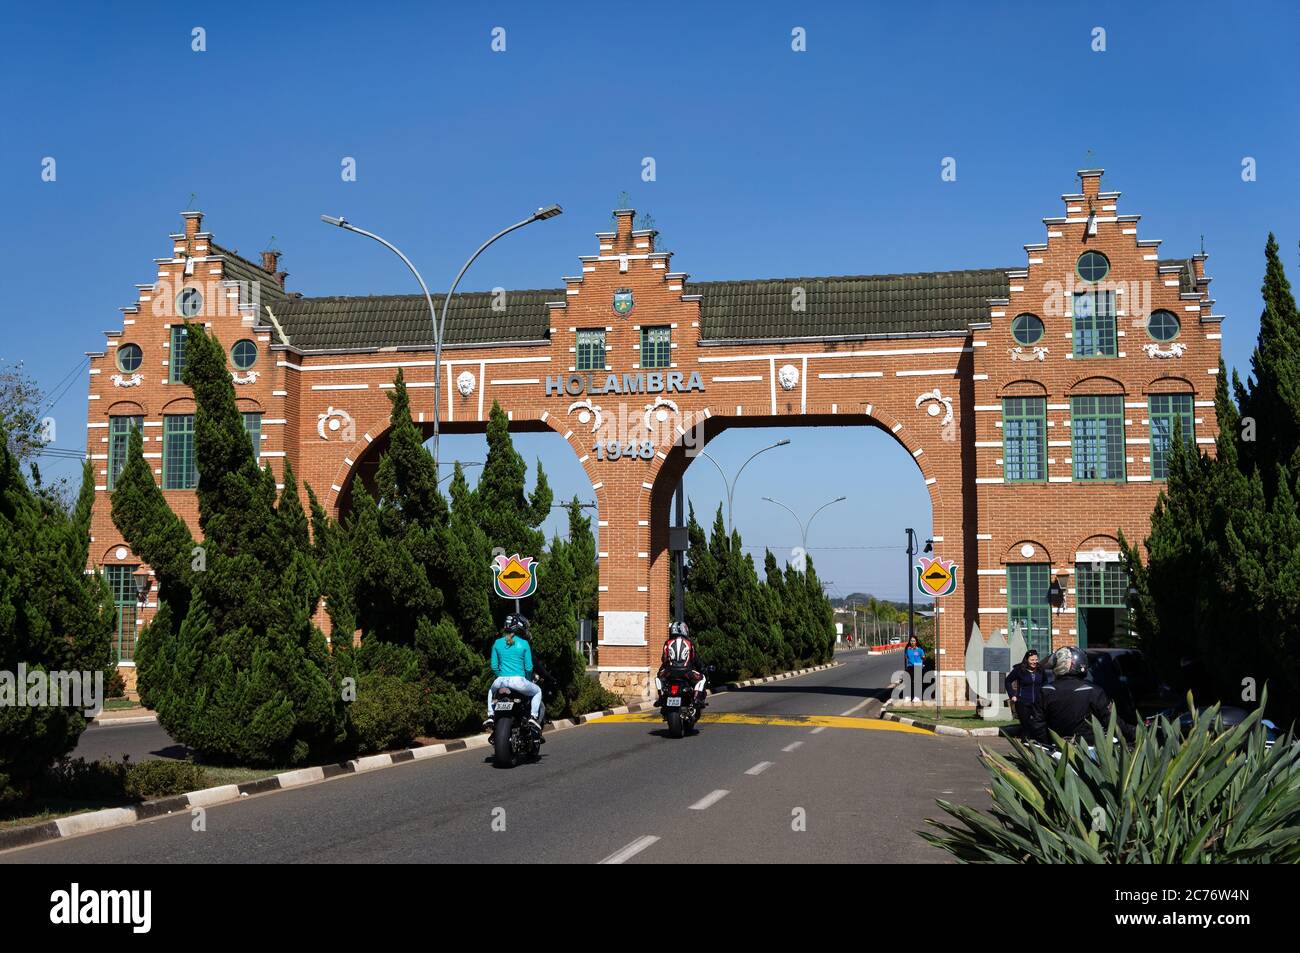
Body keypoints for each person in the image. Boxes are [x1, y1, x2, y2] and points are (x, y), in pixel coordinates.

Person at [1027, 646, 1136, 747]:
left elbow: (1037, 724)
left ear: (1058, 665)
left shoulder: (1045, 691)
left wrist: (1046, 744)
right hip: (1088, 750)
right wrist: (1134, 733)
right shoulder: (1093, 691)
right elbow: (1111, 721)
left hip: (1055, 748)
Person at [482, 614, 543, 735]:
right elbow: (529, 667)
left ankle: (490, 715)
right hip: (518, 681)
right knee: (537, 691)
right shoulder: (524, 643)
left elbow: (494, 666)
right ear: (520, 628)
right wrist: (528, 679)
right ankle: (533, 717)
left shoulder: (497, 643)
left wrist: (502, 675)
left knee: (491, 690)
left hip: (500, 681)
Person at [655, 620, 707, 707]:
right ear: (685, 630)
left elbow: (664, 659)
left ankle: (661, 697)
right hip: (686, 672)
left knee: (658, 678)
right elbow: (694, 658)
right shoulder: (690, 643)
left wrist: (664, 669)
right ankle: (696, 699)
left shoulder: (667, 643)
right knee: (702, 679)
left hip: (670, 672)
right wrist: (702, 669)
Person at [1006, 650, 1048, 734]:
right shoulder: (1019, 670)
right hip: (1023, 702)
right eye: (1032, 660)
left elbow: (1045, 682)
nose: (1034, 662)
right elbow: (1008, 681)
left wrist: (1044, 695)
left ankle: (1037, 744)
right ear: (1027, 660)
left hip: (1037, 703)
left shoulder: (1041, 669)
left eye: (1036, 660)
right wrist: (1012, 695)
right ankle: (1025, 742)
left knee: (1038, 725)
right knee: (1026, 726)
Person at [903, 635, 925, 703]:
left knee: (917, 682)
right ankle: (908, 696)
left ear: (916, 642)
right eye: (911, 641)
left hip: (918, 666)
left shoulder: (919, 650)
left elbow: (923, 657)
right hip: (910, 667)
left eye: (914, 641)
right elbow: (906, 657)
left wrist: (921, 663)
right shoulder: (907, 649)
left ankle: (917, 697)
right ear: (910, 641)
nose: (912, 642)